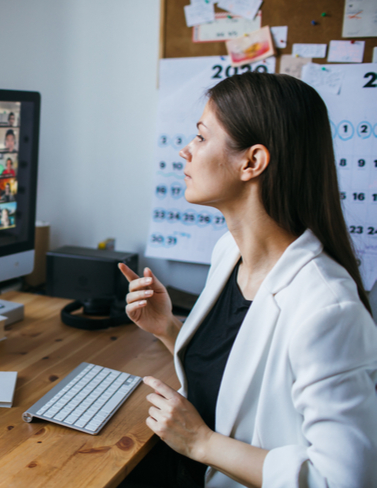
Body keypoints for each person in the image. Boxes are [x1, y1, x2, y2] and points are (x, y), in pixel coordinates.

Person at [119, 73, 377, 488]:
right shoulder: (229, 252)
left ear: (252, 162)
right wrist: (168, 329)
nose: (185, 150)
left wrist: (201, 443)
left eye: (201, 138)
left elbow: (344, 480)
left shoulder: (329, 310)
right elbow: (237, 373)